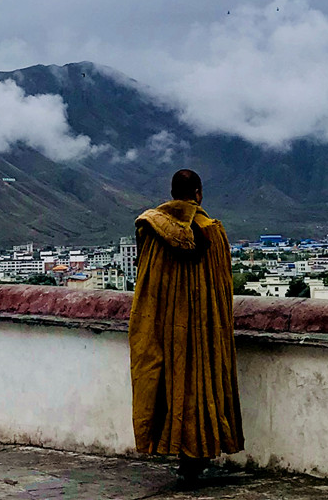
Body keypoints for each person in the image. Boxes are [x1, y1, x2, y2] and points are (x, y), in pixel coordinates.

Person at [128, 169, 244, 485]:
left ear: (172, 193)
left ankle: (181, 452)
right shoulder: (212, 233)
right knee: (200, 386)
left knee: (171, 385)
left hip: (167, 329)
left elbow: (147, 287)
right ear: (198, 194)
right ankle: (197, 453)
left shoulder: (152, 230)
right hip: (204, 329)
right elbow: (222, 289)